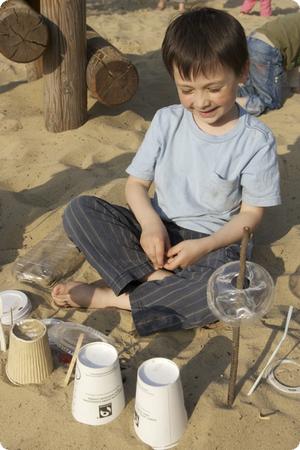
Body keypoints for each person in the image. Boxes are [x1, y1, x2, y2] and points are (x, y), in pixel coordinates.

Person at [51, 8, 281, 336]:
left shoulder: (256, 140)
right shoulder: (166, 121)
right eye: (187, 89)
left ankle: (111, 297)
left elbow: (250, 217)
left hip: (214, 243)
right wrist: (150, 225)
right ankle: (158, 283)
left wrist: (203, 247)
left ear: (242, 72)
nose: (200, 101)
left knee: (230, 286)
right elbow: (135, 186)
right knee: (80, 211)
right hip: (159, 229)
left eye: (213, 88)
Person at [237, 13, 300, 116]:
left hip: (253, 41)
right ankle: (232, 105)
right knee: (271, 102)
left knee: (251, 90)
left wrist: (294, 85)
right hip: (266, 49)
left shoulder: (296, 18)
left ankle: (228, 96)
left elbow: (295, 56)